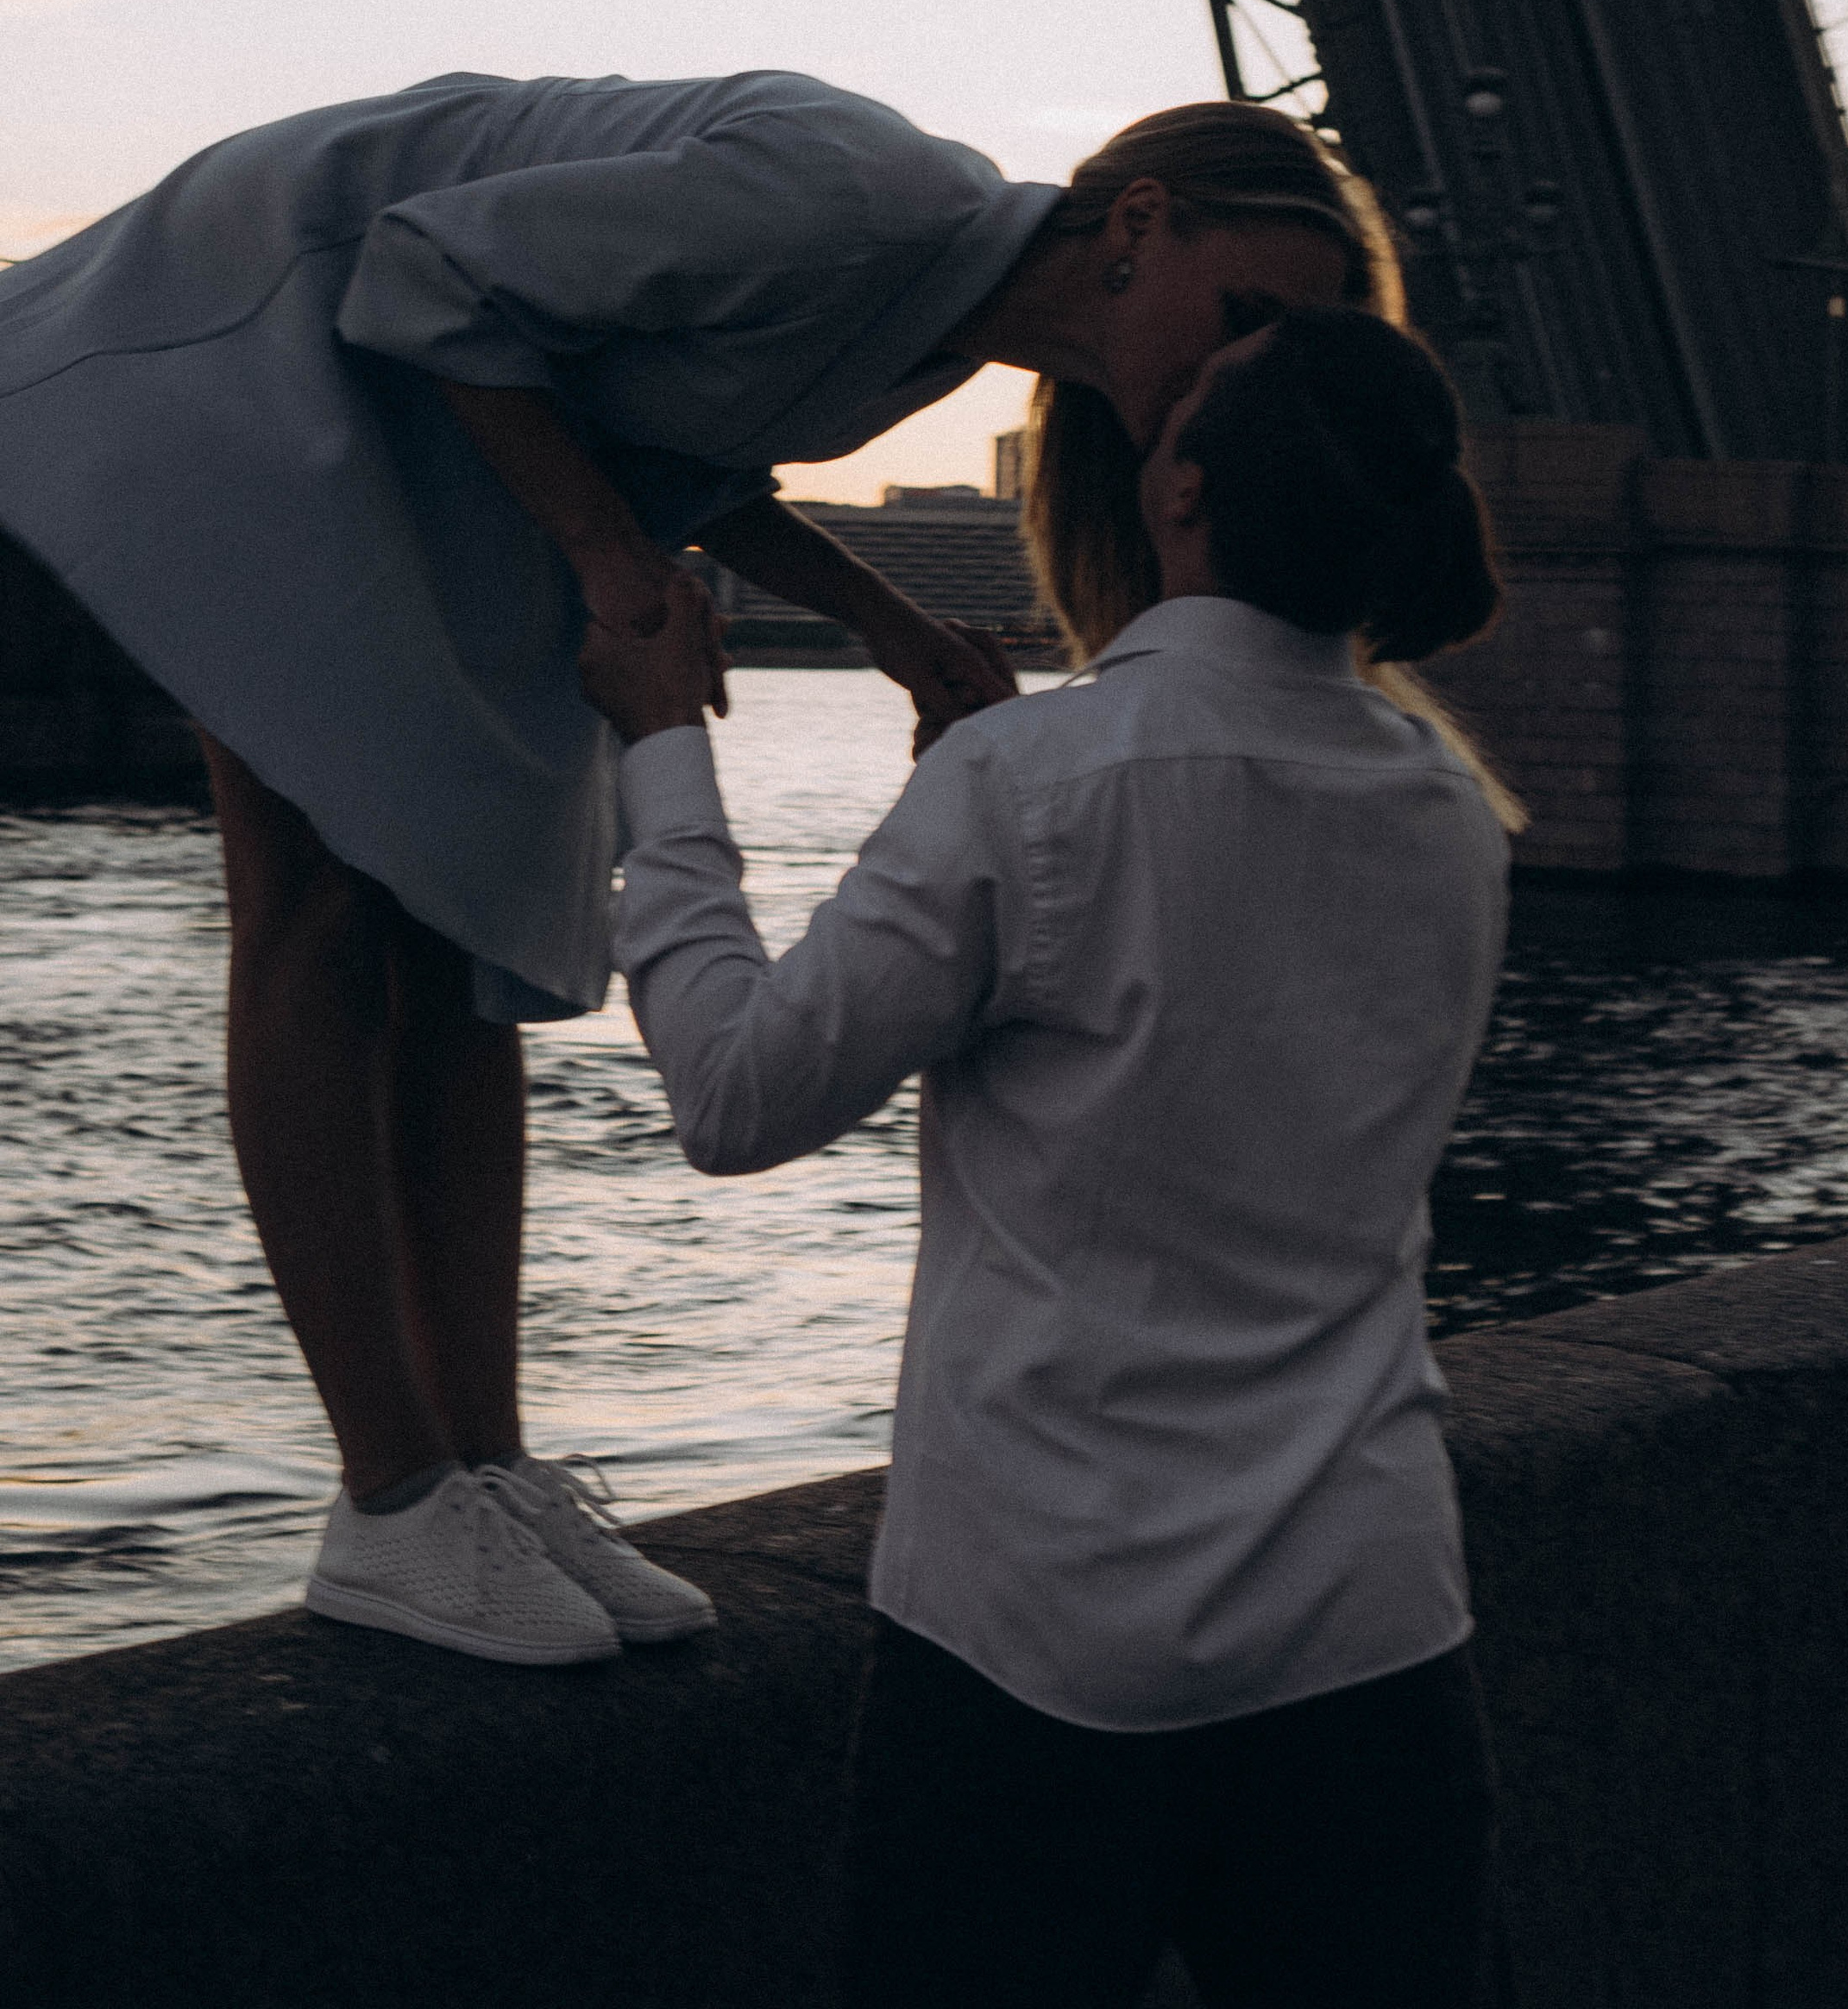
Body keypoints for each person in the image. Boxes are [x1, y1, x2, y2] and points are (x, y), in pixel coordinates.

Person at [0, 75, 1395, 1664]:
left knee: (460, 946)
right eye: (1244, 312)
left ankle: (480, 1476)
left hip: (422, 421)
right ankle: (391, 1505)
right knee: (317, 912)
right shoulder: (859, 202)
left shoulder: (937, 316)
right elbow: (422, 277)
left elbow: (667, 422)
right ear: (1141, 225)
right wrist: (602, 551)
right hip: (253, 344)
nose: (1239, 374)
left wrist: (890, 629)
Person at [587, 305, 1518, 2005]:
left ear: (1180, 500)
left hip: (1032, 1644)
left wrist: (663, 752)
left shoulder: (1029, 782)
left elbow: (733, 1096)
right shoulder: (1447, 816)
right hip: (1368, 1627)